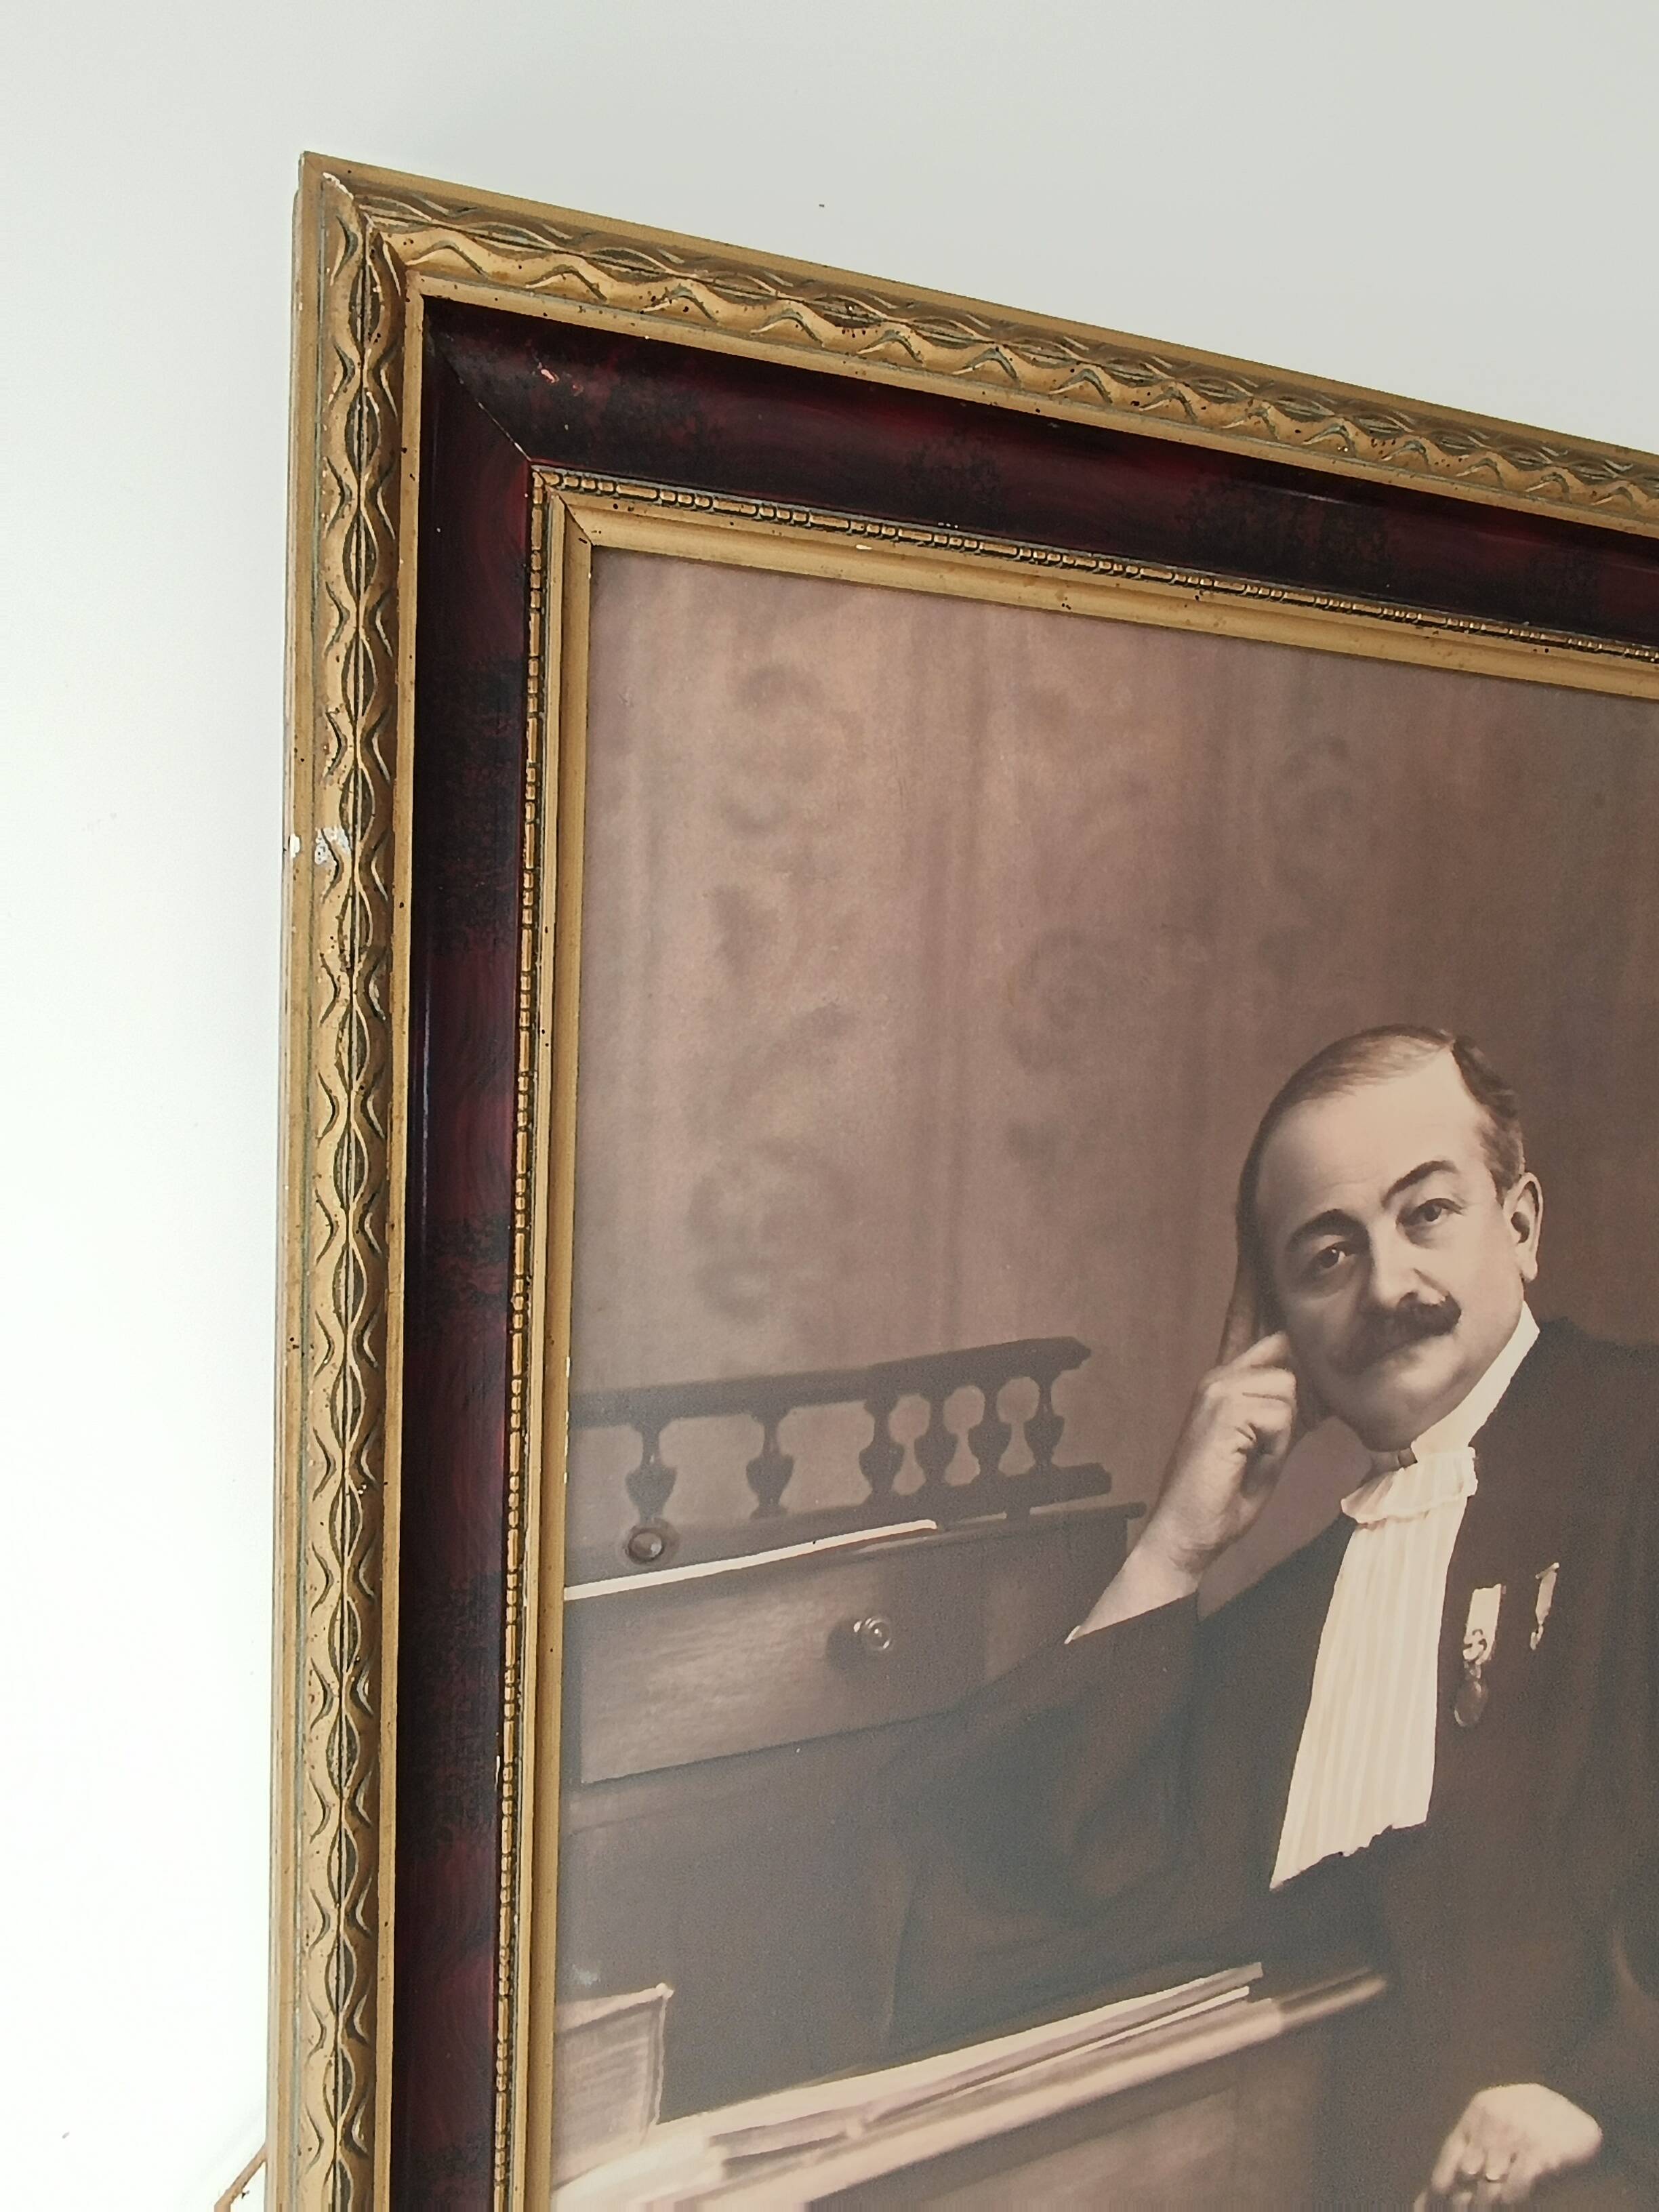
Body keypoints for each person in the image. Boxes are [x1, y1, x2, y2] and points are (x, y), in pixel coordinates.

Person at [886, 1027, 1659, 2205]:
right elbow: (1003, 1924)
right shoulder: (1294, 1625)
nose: (1390, 1287)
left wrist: (1602, 2093)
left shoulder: (1638, 1447)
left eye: (1429, 1214)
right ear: (1280, 1327)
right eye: (1329, 1257)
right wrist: (1175, 1547)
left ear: (1523, 1224)